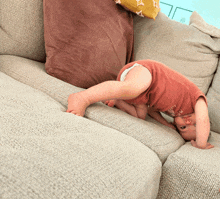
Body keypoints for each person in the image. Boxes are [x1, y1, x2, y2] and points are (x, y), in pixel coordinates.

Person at [67, 60, 214, 149]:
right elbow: (203, 119)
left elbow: (151, 111)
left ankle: (117, 99)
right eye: (194, 124)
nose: (188, 122)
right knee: (132, 88)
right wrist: (201, 144)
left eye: (183, 127)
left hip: (144, 95)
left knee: (140, 115)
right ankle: (83, 98)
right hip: (149, 72)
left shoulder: (175, 113)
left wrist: (167, 124)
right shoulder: (197, 100)